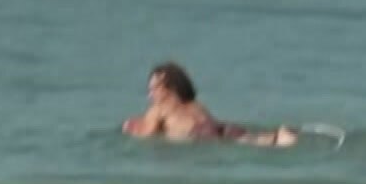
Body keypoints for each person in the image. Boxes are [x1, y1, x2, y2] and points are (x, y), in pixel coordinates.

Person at [122, 61, 299, 148]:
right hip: (220, 126)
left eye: (153, 89)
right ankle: (277, 136)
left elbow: (148, 134)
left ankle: (277, 140)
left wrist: (131, 128)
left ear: (169, 89)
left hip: (199, 134)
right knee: (248, 138)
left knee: (241, 143)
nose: (150, 94)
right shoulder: (196, 105)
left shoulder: (159, 109)